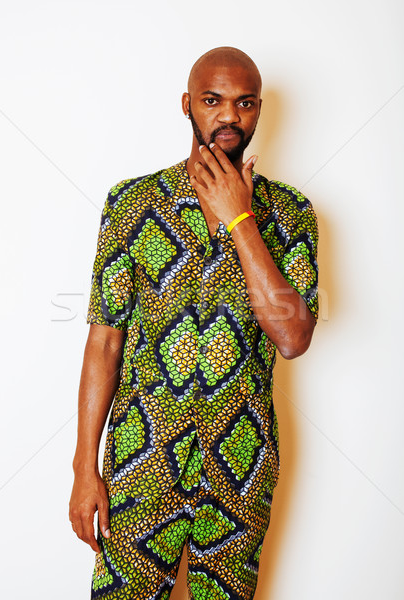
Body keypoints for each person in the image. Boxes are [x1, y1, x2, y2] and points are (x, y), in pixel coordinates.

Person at [69, 46, 319, 600]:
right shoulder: (131, 204)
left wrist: (241, 219)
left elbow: (293, 337)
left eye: (244, 104)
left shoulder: (292, 212)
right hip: (142, 459)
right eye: (213, 100)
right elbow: (104, 340)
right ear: (187, 105)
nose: (229, 116)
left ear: (257, 112)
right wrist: (84, 469)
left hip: (241, 463)